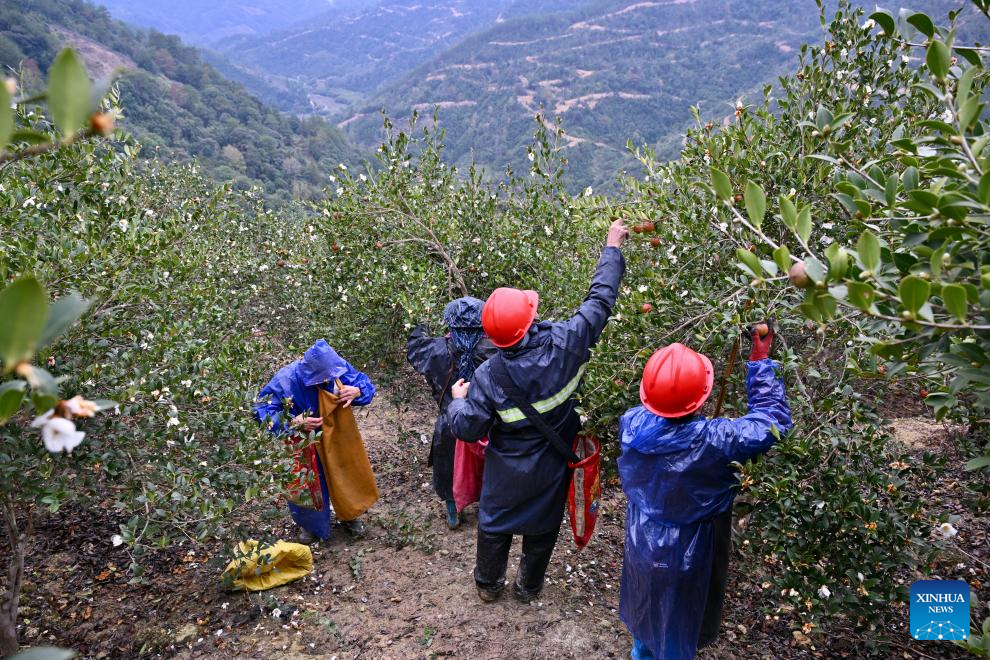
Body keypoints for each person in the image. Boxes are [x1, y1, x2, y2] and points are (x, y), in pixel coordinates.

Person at [447, 219, 628, 604]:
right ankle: (528, 588)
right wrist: (612, 247)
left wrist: (458, 399)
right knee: (543, 528)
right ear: (530, 321)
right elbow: (600, 300)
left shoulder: (487, 375)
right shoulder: (567, 344)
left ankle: (489, 585)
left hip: (506, 471)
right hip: (550, 464)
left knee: (494, 525)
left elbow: (467, 427)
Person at [617, 326, 792, 659]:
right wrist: (759, 362)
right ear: (702, 396)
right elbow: (772, 422)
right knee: (680, 626)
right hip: (691, 554)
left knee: (647, 611)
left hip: (642, 542)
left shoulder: (632, 424)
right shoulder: (716, 442)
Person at [254, 340, 377, 543]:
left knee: (345, 472)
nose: (330, 379)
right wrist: (292, 421)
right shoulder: (287, 379)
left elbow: (364, 383)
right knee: (306, 482)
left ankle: (350, 515)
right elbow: (261, 411)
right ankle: (310, 525)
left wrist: (358, 391)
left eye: (332, 375)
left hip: (337, 433)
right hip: (302, 440)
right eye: (324, 377)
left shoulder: (335, 367)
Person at [406, 297, 497, 529]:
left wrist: (421, 314)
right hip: (486, 421)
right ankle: (488, 508)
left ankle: (452, 511)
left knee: (448, 465)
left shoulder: (436, 349)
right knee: (488, 464)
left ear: (449, 322)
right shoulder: (495, 349)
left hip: (450, 420)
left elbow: (415, 345)